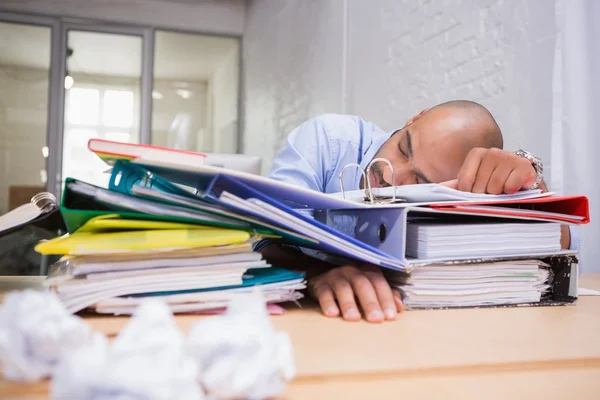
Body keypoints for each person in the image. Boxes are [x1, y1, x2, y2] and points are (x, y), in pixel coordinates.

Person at [258, 100, 578, 323]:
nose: (390, 176)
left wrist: (530, 176)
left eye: (420, 181)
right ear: (415, 118)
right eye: (403, 149)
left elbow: (561, 242)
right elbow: (261, 236)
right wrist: (316, 274)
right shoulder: (327, 141)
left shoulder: (461, 195)